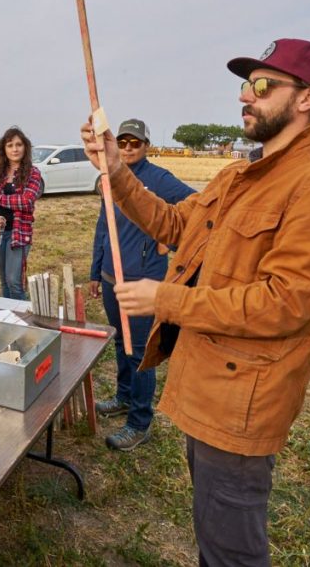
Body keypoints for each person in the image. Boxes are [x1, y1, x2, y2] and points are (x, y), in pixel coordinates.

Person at [80, 39, 310, 565]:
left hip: (244, 401)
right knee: (212, 527)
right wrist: (116, 170)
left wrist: (166, 299)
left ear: (309, 98)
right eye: (245, 86)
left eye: (262, 86)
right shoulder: (238, 176)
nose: (246, 98)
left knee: (231, 547)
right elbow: (174, 223)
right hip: (208, 381)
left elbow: (285, 303)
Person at [89, 119, 194, 452]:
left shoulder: (158, 179)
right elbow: (103, 227)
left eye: (135, 143)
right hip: (111, 278)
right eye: (123, 143)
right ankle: (123, 396)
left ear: (146, 145)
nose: (129, 148)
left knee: (139, 354)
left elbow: (198, 212)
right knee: (121, 343)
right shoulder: (110, 177)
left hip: (143, 281)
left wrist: (169, 242)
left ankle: (139, 423)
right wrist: (95, 270)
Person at [0, 127, 43, 300]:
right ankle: (6, 318)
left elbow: (26, 201)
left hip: (19, 233)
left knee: (14, 281)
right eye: (10, 145)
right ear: (3, 149)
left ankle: (22, 319)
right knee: (4, 280)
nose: (15, 149)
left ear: (25, 147)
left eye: (19, 145)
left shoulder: (33, 173)